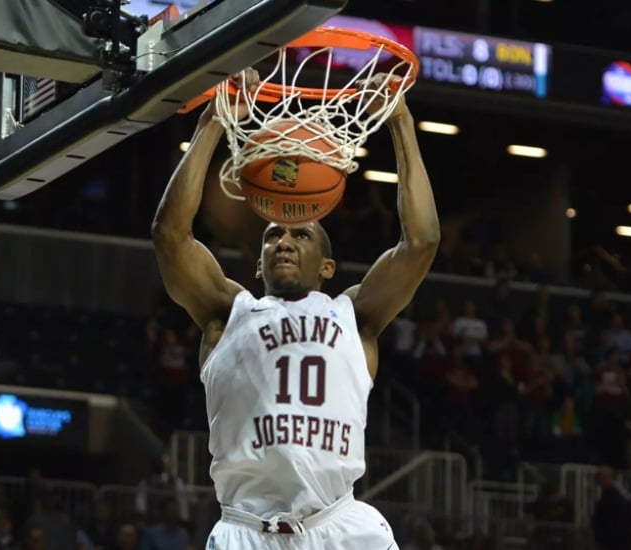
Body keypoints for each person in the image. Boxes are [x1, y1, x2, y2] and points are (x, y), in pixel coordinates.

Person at [152, 69, 439, 549]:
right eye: (273, 235)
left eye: (300, 234)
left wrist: (401, 122)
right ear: (258, 263)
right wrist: (213, 122)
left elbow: (421, 241)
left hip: (339, 526)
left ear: (327, 267)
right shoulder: (227, 313)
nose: (284, 240)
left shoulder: (354, 317)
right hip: (246, 530)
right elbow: (169, 235)